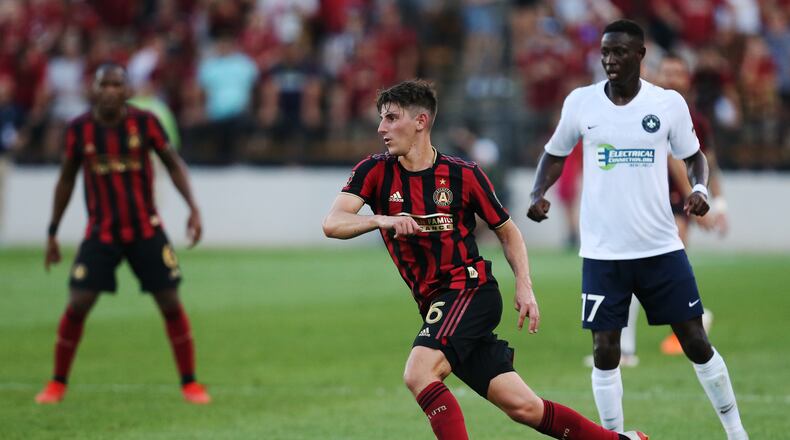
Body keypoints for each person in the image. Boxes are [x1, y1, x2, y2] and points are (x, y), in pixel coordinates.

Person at [323, 80, 647, 440]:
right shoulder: (374, 171)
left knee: (419, 373)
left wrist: (525, 287)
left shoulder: (463, 174)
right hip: (436, 303)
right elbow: (333, 223)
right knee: (523, 407)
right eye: (381, 119)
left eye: (391, 118)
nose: (381, 128)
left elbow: (508, 231)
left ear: (421, 121)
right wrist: (379, 219)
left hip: (468, 290)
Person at [527, 20, 748, 440]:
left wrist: (700, 188)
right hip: (602, 253)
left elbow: (694, 157)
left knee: (696, 342)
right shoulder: (582, 103)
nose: (610, 60)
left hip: (660, 248)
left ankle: (736, 433)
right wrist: (539, 192)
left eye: (619, 52)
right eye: (605, 52)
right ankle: (616, 438)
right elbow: (554, 153)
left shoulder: (667, 104)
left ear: (641, 55)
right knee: (604, 352)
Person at [36, 64, 210, 405]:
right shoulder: (79, 129)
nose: (112, 90)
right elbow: (67, 179)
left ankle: (190, 383)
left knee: (171, 303)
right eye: (105, 84)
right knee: (78, 303)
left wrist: (193, 207)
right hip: (101, 232)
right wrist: (53, 230)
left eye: (118, 84)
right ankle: (57, 383)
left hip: (146, 229)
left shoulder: (145, 123)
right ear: (95, 89)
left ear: (127, 90)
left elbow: (172, 163)